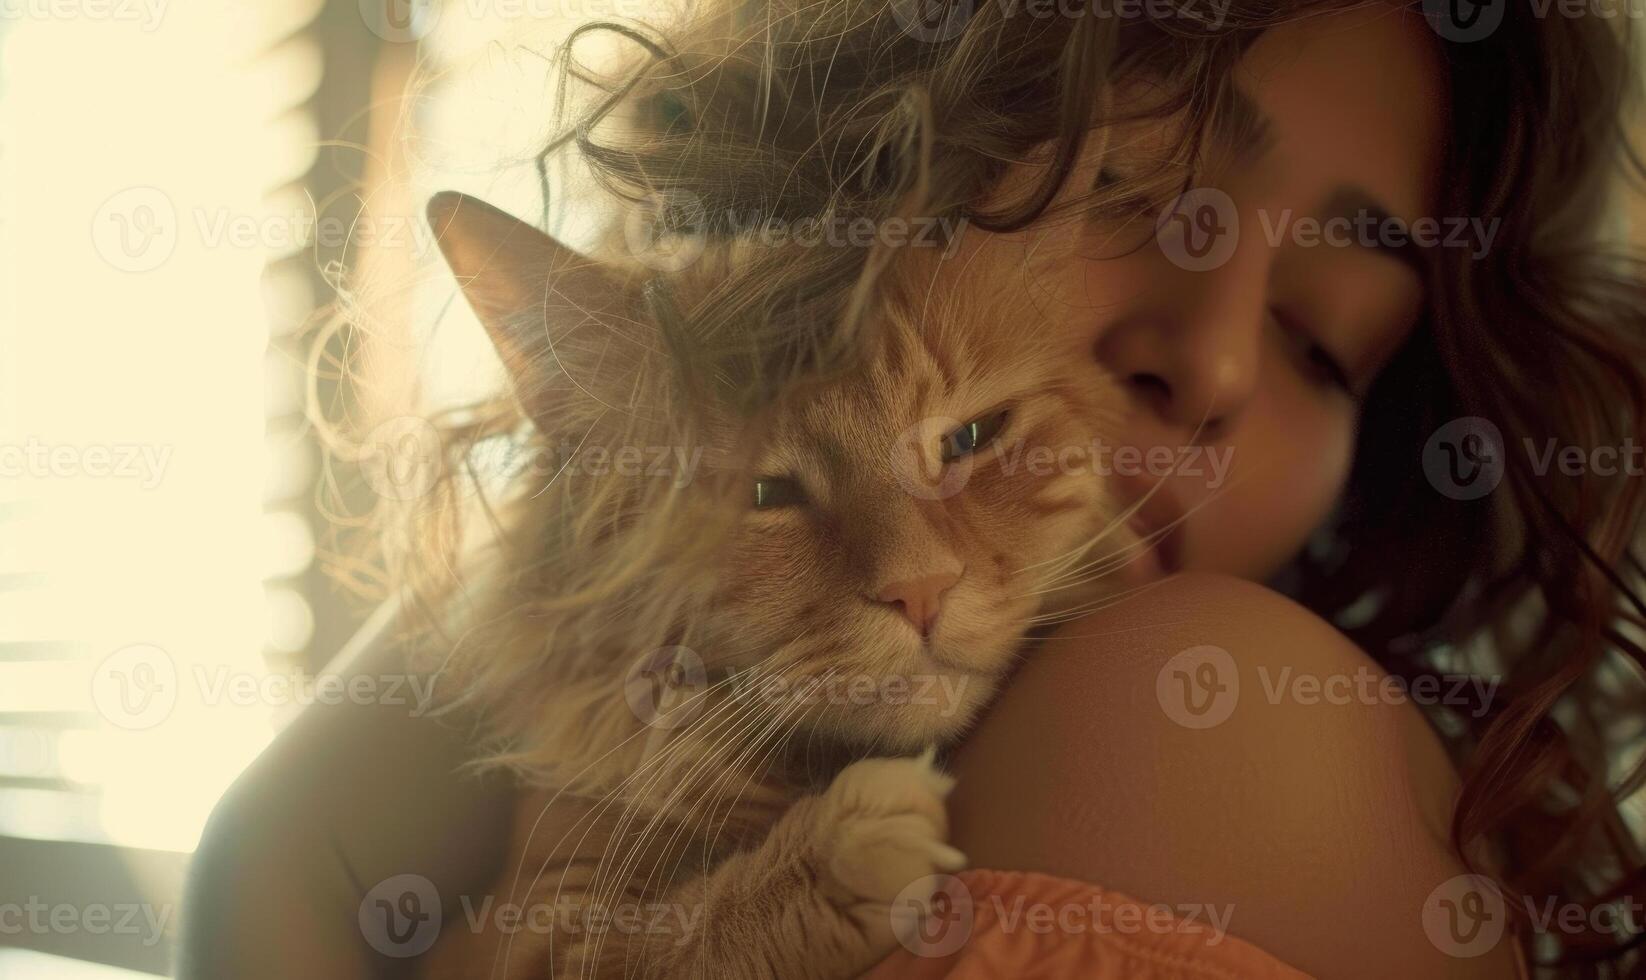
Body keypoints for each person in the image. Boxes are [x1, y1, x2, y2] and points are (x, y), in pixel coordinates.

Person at [181, 0, 1646, 976]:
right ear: (862, 145)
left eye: (1327, 341)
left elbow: (279, 876)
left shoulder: (1201, 702)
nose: (1207, 362)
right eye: (1126, 200)